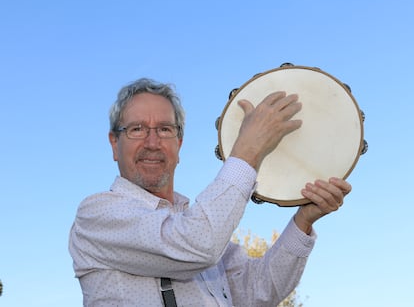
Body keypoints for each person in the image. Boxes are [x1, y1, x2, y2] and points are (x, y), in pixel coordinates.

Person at [69, 78, 351, 307]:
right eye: (136, 129)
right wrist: (249, 150)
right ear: (113, 144)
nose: (152, 142)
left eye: (165, 129)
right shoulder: (96, 214)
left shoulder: (195, 223)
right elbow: (199, 244)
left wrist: (303, 221)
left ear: (179, 144)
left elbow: (258, 290)